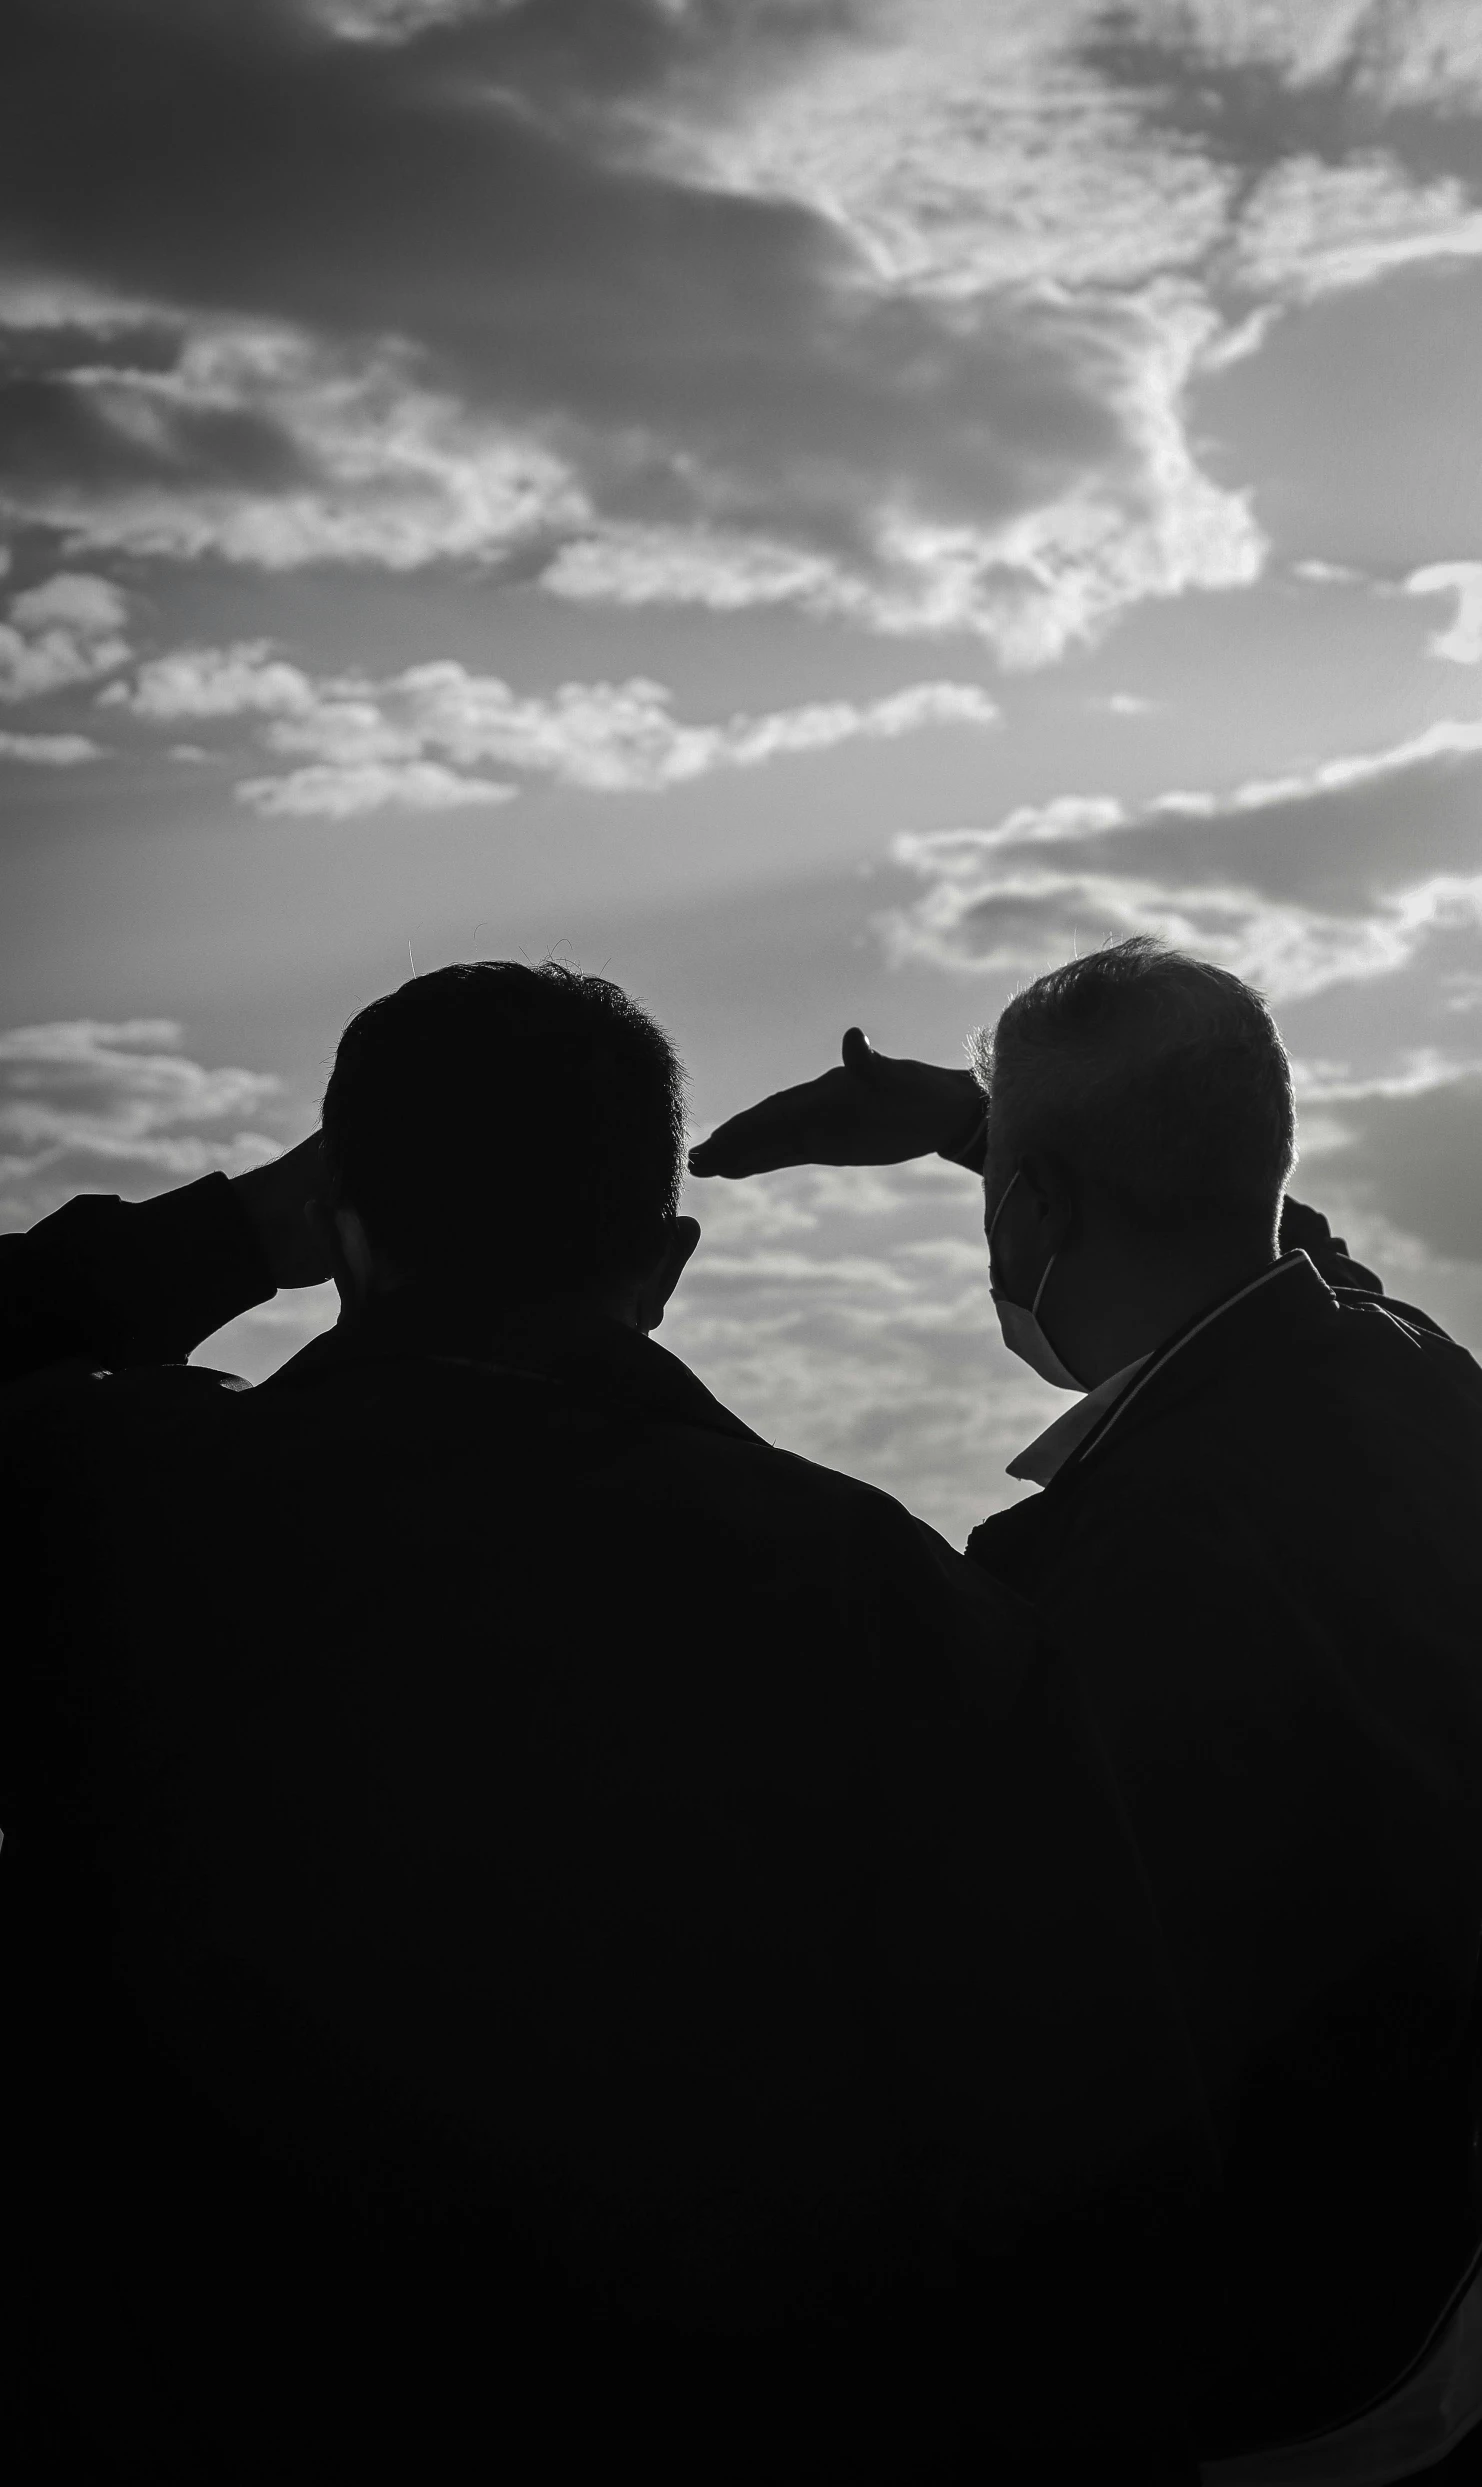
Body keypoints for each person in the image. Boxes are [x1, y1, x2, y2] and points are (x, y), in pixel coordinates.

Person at [2, 960, 1220, 2485]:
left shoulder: (103, 1516)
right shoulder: (898, 1611)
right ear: (665, 1260)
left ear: (341, 1231)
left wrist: (236, 1233)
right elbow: (1094, 2198)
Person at [690, 936, 1482, 2472]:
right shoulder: (1417, 1387)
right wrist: (981, 1125)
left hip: (1262, 2377)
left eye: (1007, 1193)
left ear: (1038, 1212)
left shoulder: (1083, 1586)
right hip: (1427, 2297)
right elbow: (1283, 1253)